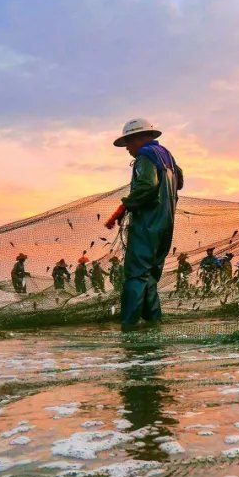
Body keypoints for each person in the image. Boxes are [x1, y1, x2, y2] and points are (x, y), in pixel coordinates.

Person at [104, 118, 183, 331]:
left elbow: (147, 186)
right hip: (165, 225)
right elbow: (180, 182)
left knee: (136, 275)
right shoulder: (167, 156)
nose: (128, 149)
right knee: (149, 276)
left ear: (139, 138)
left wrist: (124, 207)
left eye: (128, 143)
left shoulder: (144, 155)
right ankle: (152, 324)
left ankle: (128, 327)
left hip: (147, 224)